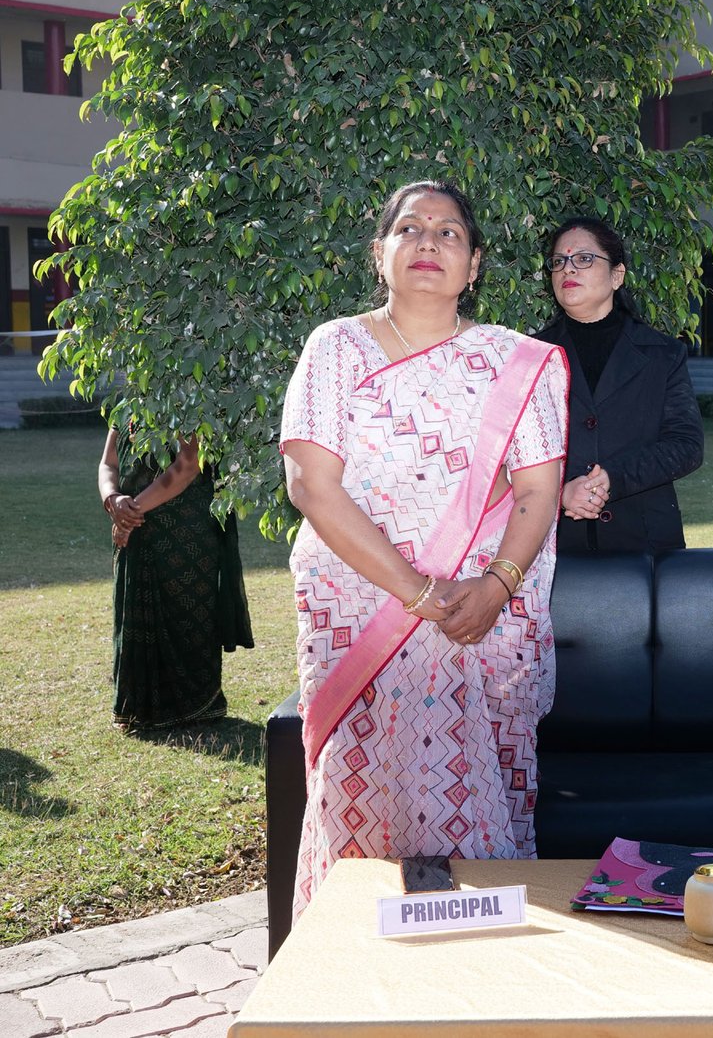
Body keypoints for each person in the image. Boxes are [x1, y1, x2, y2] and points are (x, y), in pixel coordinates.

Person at [280, 180, 568, 917]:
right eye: (410, 228)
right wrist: (417, 593)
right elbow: (313, 486)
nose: (430, 241)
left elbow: (538, 489)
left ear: (474, 265)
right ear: (381, 254)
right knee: (358, 800)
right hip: (360, 616)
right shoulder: (334, 348)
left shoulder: (515, 363)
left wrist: (498, 585)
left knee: (474, 816)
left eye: (449, 232)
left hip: (476, 618)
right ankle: (352, 982)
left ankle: (477, 992)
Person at [534, 217, 703, 551]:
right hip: (554, 544)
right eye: (559, 262)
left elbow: (686, 446)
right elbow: (507, 456)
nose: (568, 269)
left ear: (617, 275)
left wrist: (613, 478)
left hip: (644, 539)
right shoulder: (531, 356)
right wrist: (561, 493)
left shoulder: (663, 354)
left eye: (583, 259)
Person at [98, 426, 254, 731]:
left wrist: (130, 512)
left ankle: (195, 706)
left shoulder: (188, 393)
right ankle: (138, 709)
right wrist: (113, 499)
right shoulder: (126, 403)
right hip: (137, 527)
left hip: (187, 530)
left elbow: (188, 464)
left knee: (188, 616)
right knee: (136, 614)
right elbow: (109, 463)